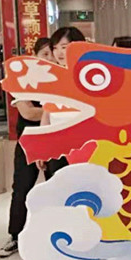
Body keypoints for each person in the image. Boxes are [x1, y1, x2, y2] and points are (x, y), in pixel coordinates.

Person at [0, 38, 55, 257]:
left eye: (53, 53)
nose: (50, 58)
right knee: (22, 187)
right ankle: (15, 235)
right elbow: (28, 113)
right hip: (28, 141)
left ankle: (54, 235)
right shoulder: (22, 81)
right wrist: (58, 110)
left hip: (56, 140)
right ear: (35, 57)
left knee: (56, 187)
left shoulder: (62, 80)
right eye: (45, 54)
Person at [42, 27, 86, 176]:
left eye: (64, 47)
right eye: (55, 48)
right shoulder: (52, 78)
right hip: (57, 143)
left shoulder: (89, 76)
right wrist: (42, 146)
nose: (59, 53)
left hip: (84, 143)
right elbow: (46, 115)